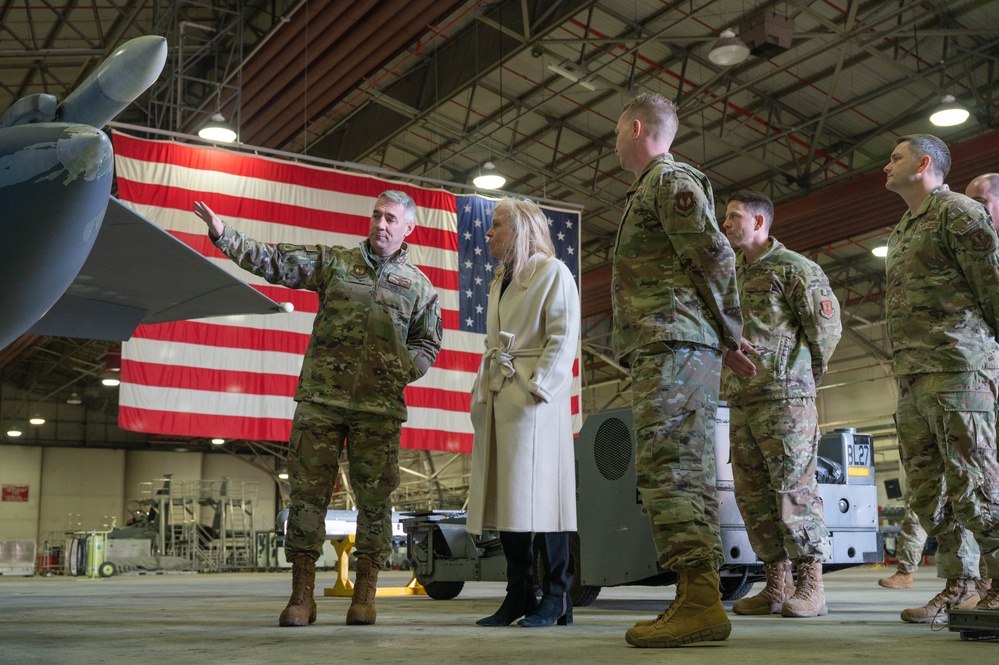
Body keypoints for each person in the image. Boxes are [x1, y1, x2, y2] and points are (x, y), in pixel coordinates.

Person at [192, 191, 442, 627]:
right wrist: (224, 235)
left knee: (375, 501)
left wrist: (402, 370)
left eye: (391, 219)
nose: (381, 224)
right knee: (307, 497)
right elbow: (274, 261)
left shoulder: (420, 286)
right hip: (321, 402)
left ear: (408, 228)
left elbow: (428, 341)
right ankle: (302, 596)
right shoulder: (336, 263)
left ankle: (364, 594)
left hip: (378, 410)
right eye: (376, 215)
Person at [610, 92, 752, 648]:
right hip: (665, 346)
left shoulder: (670, 182)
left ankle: (700, 601)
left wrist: (730, 335)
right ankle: (695, 596)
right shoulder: (650, 188)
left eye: (618, 132)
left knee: (675, 467)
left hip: (674, 347)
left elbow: (714, 256)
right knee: (669, 466)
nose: (614, 142)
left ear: (638, 128)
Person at [883, 134, 999, 624]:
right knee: (931, 496)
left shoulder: (960, 214)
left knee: (976, 487)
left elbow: (993, 288)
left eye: (895, 158)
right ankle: (961, 585)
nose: (885, 166)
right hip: (914, 379)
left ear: (925, 163)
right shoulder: (904, 228)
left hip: (958, 371)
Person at [720, 190, 841, 618]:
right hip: (741, 400)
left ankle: (812, 585)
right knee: (752, 493)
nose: (726, 224)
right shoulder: (727, 274)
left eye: (734, 217)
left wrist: (799, 376)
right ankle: (776, 584)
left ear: (759, 222)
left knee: (794, 490)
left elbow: (825, 330)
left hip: (787, 401)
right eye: (725, 217)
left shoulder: (795, 269)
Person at [466, 197, 581, 628]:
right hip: (501, 396)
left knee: (545, 500)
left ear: (521, 229)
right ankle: (518, 594)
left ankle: (556, 596)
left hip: (534, 401)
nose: (489, 233)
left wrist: (541, 388)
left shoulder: (552, 272)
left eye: (497, 225)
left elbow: (564, 334)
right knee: (508, 500)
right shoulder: (500, 281)